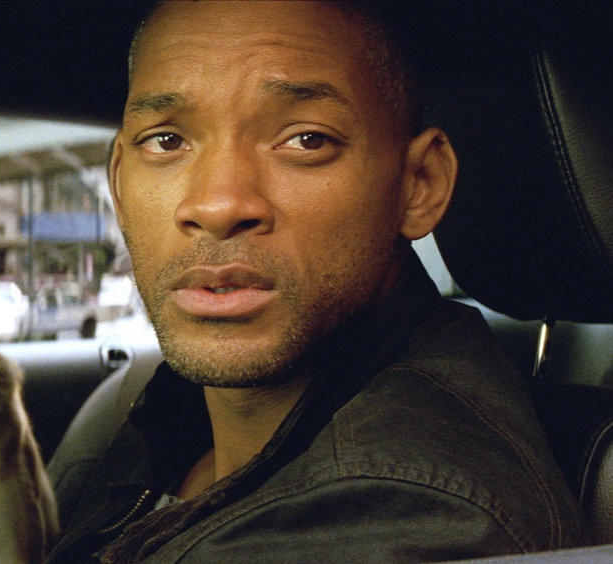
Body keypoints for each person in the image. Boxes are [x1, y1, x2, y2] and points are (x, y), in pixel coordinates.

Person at [46, 1, 590, 562]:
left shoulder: (404, 514)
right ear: (118, 183)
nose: (217, 206)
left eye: (307, 140)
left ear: (419, 184)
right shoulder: (172, 413)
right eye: (166, 141)